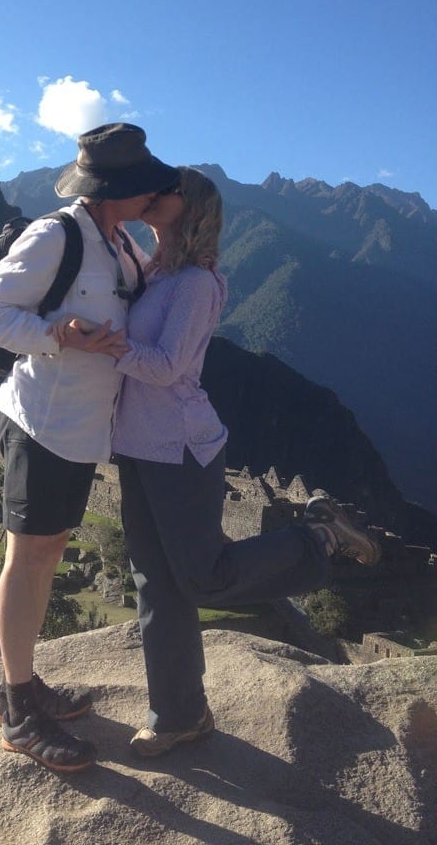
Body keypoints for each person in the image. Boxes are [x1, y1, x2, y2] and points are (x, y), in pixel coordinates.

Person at [64, 166, 381, 757]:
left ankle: (318, 538)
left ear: (193, 208)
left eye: (168, 191)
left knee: (203, 575)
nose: (154, 194)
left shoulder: (196, 285)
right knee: (156, 585)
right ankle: (179, 714)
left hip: (183, 447)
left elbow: (164, 367)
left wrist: (103, 343)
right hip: (136, 447)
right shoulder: (155, 270)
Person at [0, 122, 177, 772]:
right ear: (119, 188)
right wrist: (62, 334)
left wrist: (168, 231)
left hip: (83, 430)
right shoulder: (55, 236)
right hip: (41, 422)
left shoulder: (120, 243)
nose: (153, 194)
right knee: (28, 558)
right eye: (145, 187)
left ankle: (28, 686)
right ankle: (16, 708)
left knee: (47, 552)